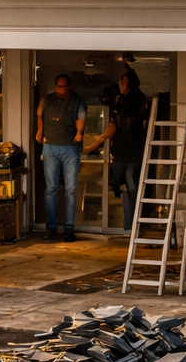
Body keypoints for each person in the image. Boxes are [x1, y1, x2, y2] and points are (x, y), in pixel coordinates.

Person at [83, 70, 151, 232]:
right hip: (121, 151)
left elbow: (137, 125)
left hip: (134, 150)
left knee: (131, 184)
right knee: (122, 184)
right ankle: (129, 223)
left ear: (131, 84)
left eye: (124, 83)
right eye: (121, 83)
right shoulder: (121, 102)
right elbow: (113, 124)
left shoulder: (139, 101)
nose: (121, 86)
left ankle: (134, 223)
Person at [36, 73, 86, 242]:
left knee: (70, 189)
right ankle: (51, 227)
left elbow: (81, 118)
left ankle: (69, 228)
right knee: (51, 188)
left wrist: (79, 132)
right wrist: (40, 131)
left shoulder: (77, 101)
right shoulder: (47, 100)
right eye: (58, 86)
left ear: (69, 87)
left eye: (63, 86)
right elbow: (40, 114)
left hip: (70, 148)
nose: (60, 89)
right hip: (50, 146)